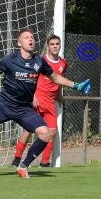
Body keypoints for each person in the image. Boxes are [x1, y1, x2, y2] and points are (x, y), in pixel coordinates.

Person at [0, 29, 91, 178]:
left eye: (32, 37)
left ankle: (23, 166)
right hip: (4, 106)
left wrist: (76, 85)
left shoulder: (39, 61)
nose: (31, 39)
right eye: (26, 37)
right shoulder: (9, 60)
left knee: (45, 134)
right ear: (19, 43)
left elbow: (55, 78)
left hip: (24, 109)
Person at [11, 34, 67, 167]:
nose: (54, 46)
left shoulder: (63, 63)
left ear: (60, 46)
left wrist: (59, 94)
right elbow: (33, 79)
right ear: (47, 46)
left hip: (50, 101)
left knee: (52, 131)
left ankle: (44, 162)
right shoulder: (40, 61)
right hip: (39, 98)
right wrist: (33, 96)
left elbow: (59, 80)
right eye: (52, 44)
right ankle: (17, 158)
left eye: (57, 44)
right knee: (28, 130)